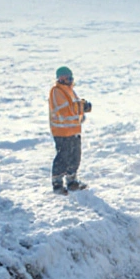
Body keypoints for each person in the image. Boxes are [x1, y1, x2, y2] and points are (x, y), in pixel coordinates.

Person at [48, 66, 91, 194]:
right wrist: (82, 107)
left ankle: (72, 181)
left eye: (67, 76)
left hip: (74, 130)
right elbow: (66, 109)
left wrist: (83, 106)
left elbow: (74, 105)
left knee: (75, 156)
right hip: (61, 131)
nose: (65, 79)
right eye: (61, 77)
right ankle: (57, 183)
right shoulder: (56, 91)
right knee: (63, 156)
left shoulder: (70, 90)